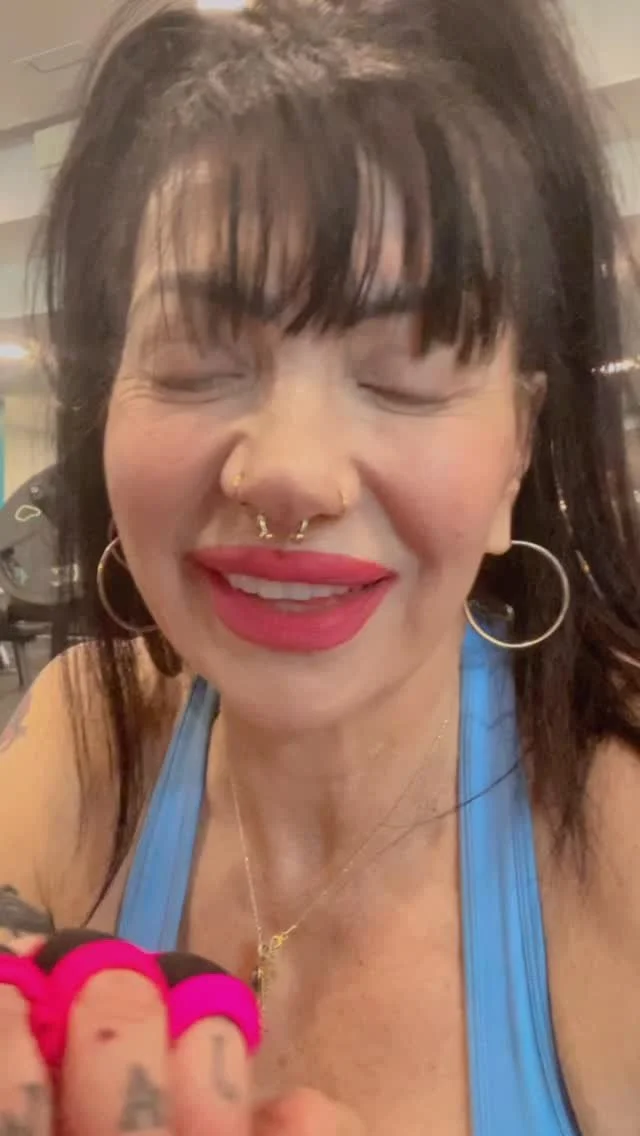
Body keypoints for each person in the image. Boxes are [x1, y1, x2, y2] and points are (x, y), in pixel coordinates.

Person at [1, 0, 639, 1131]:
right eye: (193, 364)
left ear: (518, 449)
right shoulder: (80, 744)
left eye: (403, 375)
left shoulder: (617, 827)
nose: (290, 474)